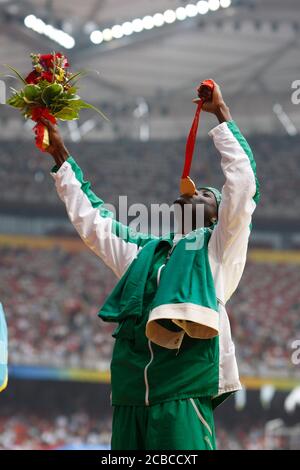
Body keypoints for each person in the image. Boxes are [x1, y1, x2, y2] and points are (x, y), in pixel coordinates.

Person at [39, 80, 260, 450]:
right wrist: (60, 154)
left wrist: (221, 115)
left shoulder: (220, 248)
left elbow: (243, 184)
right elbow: (93, 221)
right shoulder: (143, 253)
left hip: (183, 390)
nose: (195, 192)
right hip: (128, 394)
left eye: (206, 194)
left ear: (217, 216)